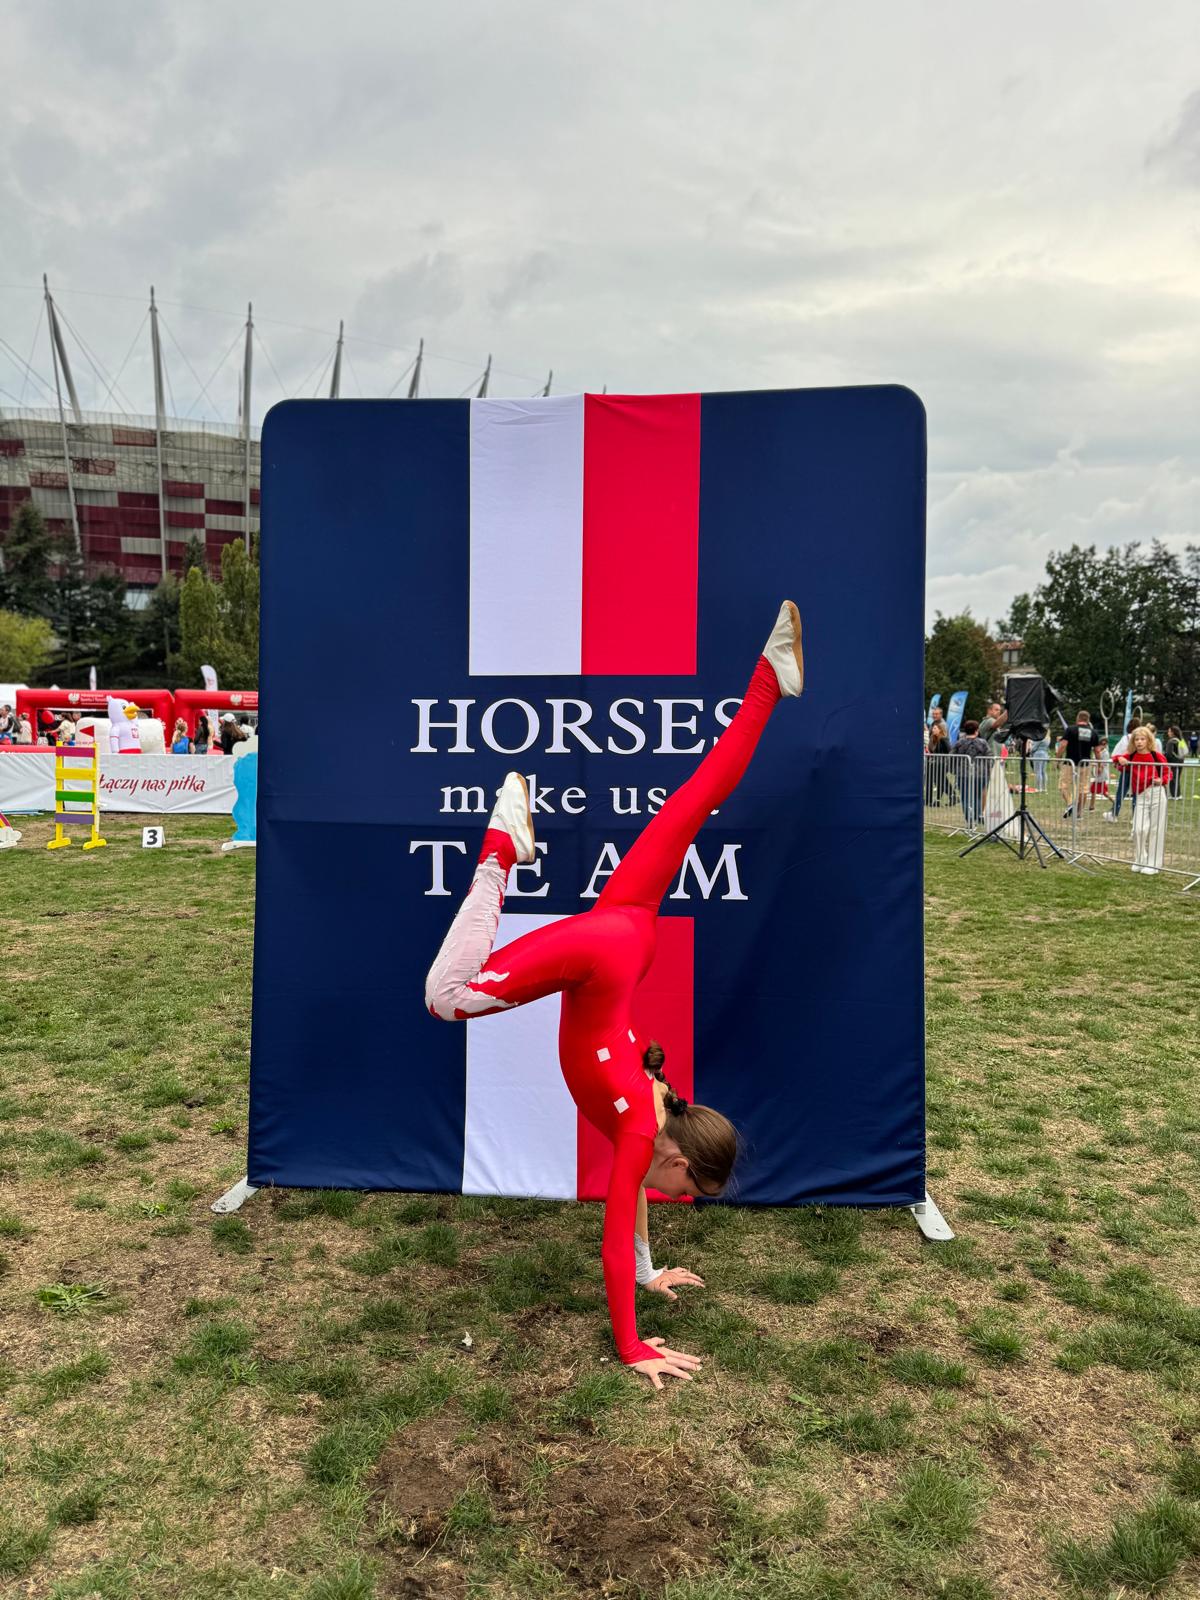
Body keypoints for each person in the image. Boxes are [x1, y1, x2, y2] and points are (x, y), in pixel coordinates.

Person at [424, 600, 805, 1389]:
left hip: (628, 933)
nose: (676, 1198)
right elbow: (611, 1232)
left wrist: (647, 1273)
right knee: (447, 997)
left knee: (694, 801)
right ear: (677, 1158)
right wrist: (633, 1346)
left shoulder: (662, 1113)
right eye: (685, 1190)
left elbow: (630, 1216)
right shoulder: (641, 1129)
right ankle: (499, 851)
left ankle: (769, 678)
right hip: (604, 954)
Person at [1113, 726, 1171, 874]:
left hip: (1156, 793)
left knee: (1156, 830)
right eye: (1136, 739)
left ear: (1148, 740)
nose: (1139, 742)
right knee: (1137, 829)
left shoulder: (1156, 756)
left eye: (1142, 739)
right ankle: (1140, 859)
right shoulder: (1131, 756)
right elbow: (1116, 759)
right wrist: (1119, 759)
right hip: (1140, 795)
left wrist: (1162, 780)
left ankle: (1154, 864)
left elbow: (1167, 773)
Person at [1056, 711, 1099, 818]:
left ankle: (1070, 803)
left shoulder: (1070, 730)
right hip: (1085, 764)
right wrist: (1100, 764)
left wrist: (1058, 758)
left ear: (1077, 718)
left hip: (1069, 763)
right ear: (1088, 720)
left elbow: (1063, 745)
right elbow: (1097, 750)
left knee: (1064, 785)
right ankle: (1079, 813)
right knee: (1083, 788)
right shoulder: (1093, 732)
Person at [950, 718, 990, 829]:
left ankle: (969, 821)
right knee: (977, 797)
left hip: (963, 774)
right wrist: (988, 769)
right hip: (980, 774)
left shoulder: (959, 743)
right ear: (977, 730)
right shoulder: (983, 743)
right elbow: (990, 757)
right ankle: (976, 818)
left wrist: (954, 769)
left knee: (965, 797)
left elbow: (951, 757)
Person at [1105, 716, 1141, 823]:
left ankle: (1114, 814)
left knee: (1121, 792)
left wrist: (1117, 761)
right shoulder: (1142, 738)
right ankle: (1135, 818)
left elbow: (1116, 753)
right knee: (1136, 794)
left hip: (1127, 769)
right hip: (1139, 768)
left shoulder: (1126, 738)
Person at [1164, 726, 1187, 798]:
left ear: (1173, 732)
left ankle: (1174, 795)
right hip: (1180, 761)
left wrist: (1165, 759)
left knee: (1173, 779)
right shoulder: (1181, 740)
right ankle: (1178, 794)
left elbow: (1169, 754)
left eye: (1169, 731)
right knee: (1177, 778)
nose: (1168, 733)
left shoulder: (1171, 741)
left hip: (1173, 762)